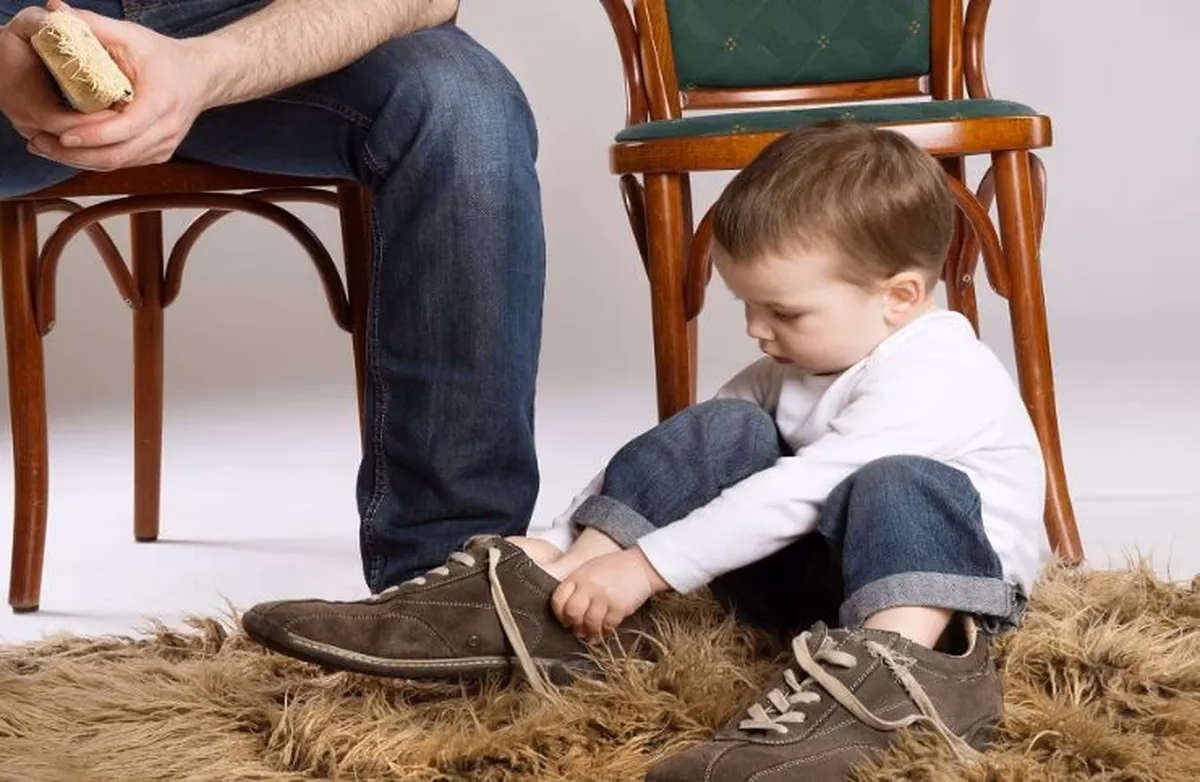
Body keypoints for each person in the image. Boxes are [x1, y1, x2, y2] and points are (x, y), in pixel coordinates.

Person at [242, 120, 1050, 780]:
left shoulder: (938, 373)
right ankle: (549, 597)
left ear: (899, 297)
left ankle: (892, 674)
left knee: (898, 482)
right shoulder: (793, 365)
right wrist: (564, 543)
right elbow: (680, 454)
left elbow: (801, 491)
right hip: (811, 583)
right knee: (722, 427)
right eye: (746, 305)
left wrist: (649, 568)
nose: (758, 329)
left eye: (784, 312)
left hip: (933, 590)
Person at [1, 1, 547, 596]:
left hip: (271, 25)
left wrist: (202, 68)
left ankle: (454, 590)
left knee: (464, 107)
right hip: (22, 29)